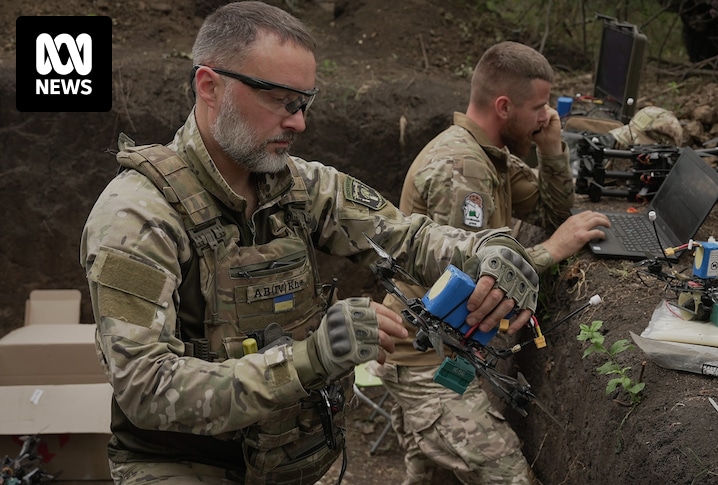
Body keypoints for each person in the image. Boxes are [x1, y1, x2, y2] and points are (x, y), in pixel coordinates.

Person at [79, 3, 541, 484]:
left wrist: (492, 250)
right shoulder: (136, 217)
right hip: (185, 465)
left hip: (287, 458)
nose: (298, 123)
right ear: (209, 87)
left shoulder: (300, 187)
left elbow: (409, 238)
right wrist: (312, 357)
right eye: (281, 100)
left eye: (303, 103)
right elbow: (146, 388)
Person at [371, 41, 611, 485]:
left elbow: (551, 212)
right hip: (424, 358)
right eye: (540, 106)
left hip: (443, 347)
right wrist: (551, 251)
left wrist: (552, 148)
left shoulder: (491, 156)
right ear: (504, 106)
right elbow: (470, 286)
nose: (547, 116)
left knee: (430, 476)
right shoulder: (462, 169)